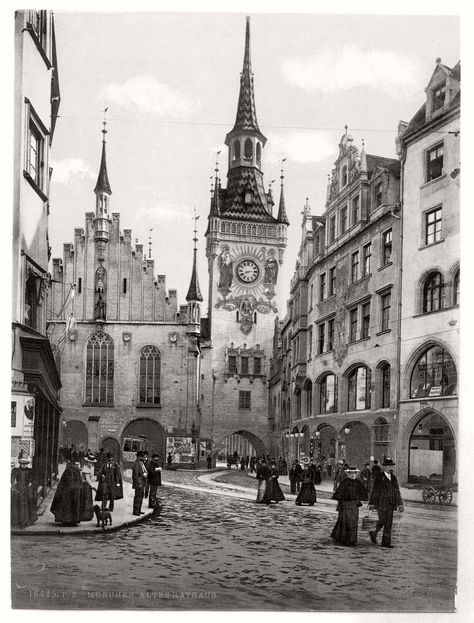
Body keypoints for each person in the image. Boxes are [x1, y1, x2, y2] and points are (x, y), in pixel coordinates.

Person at [368, 457, 404, 548]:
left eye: (391, 466)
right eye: (388, 466)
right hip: (381, 503)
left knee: (389, 523)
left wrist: (400, 504)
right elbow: (375, 490)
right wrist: (372, 503)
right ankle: (374, 532)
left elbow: (397, 491)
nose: (390, 468)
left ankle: (386, 543)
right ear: (384, 467)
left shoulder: (394, 478)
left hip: (391, 504)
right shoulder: (380, 477)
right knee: (383, 520)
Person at [331, 466, 368, 546]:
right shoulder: (345, 482)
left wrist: (361, 499)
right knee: (346, 522)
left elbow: (363, 493)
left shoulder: (358, 482)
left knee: (353, 522)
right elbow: (339, 494)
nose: (353, 475)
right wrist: (340, 504)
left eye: (354, 473)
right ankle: (344, 539)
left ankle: (352, 539)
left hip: (354, 505)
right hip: (345, 505)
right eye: (351, 473)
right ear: (348, 474)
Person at [50, 460, 83, 526]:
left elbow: (79, 482)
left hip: (71, 491)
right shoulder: (71, 471)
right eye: (76, 464)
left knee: (70, 506)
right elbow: (69, 482)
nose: (77, 466)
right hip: (69, 492)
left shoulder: (75, 471)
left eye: (77, 465)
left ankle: (70, 520)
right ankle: (69, 520)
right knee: (69, 506)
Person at [11, 456, 37, 529]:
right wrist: (13, 484)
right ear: (20, 464)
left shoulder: (30, 471)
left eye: (25, 464)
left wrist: (30, 483)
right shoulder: (16, 470)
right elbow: (13, 479)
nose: (24, 465)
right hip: (18, 489)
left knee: (26, 505)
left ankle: (26, 520)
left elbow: (32, 479)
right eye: (22, 464)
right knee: (17, 505)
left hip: (26, 489)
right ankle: (17, 521)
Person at [80, 452, 97, 521]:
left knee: (88, 500)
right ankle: (85, 516)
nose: (92, 464)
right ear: (87, 462)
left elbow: (91, 478)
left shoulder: (89, 468)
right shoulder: (86, 468)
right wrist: (93, 487)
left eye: (92, 462)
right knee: (86, 500)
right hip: (85, 486)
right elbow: (87, 480)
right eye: (90, 462)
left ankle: (87, 515)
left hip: (87, 486)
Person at [132, 451, 148, 516]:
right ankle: (135, 511)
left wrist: (145, 474)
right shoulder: (136, 463)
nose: (144, 457)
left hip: (142, 481)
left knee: (141, 496)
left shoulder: (141, 463)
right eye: (142, 456)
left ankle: (139, 509)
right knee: (137, 497)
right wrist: (138, 483)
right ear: (139, 457)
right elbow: (135, 475)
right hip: (139, 482)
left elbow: (144, 471)